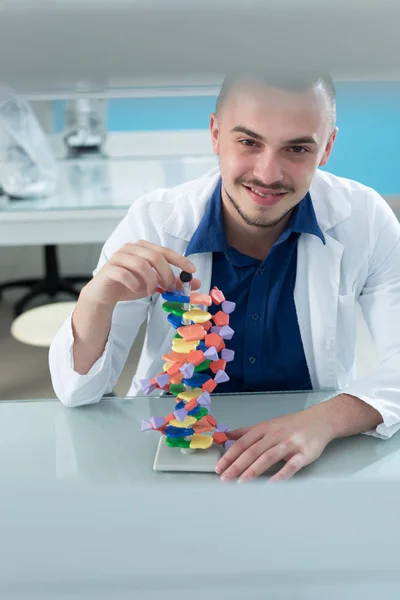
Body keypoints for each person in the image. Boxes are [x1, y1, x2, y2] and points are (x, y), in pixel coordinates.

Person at [49, 70, 400, 482]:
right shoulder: (156, 220)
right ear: (216, 134)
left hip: (312, 454)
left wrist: (325, 420)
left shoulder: (365, 219)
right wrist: (94, 300)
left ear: (326, 148)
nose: (268, 174)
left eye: (297, 148)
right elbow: (78, 393)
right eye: (249, 142)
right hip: (173, 451)